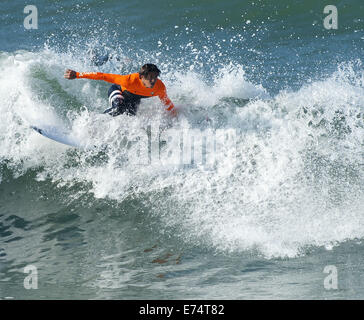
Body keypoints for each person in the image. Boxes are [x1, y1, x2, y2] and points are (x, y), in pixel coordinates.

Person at [64, 64, 177, 117]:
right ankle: (95, 120)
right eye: (150, 77)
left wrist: (175, 117)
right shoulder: (129, 80)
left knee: (128, 118)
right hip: (119, 92)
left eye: (155, 77)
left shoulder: (159, 87)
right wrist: (78, 74)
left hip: (134, 100)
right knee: (118, 108)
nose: (153, 80)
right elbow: (102, 76)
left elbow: (167, 103)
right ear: (141, 77)